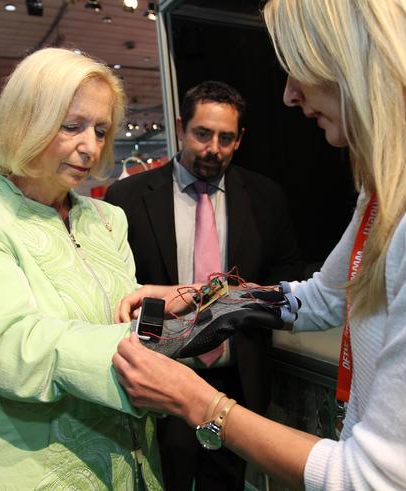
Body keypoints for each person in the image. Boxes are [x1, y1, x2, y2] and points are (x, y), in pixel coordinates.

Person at [112, 0, 406, 489]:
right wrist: (203, 300)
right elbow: (324, 298)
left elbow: (379, 479)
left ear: (359, 54)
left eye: (298, 67)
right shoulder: (399, 182)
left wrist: (198, 402)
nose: (288, 95)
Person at [0, 48, 164, 490]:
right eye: (72, 126)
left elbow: (123, 310)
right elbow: (9, 347)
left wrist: (173, 309)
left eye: (100, 130)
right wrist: (143, 349)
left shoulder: (106, 218)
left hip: (134, 462)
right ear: (25, 121)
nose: (90, 146)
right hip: (39, 471)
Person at [105, 80, 304, 490]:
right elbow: (118, 284)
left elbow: (287, 275)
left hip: (237, 381)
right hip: (161, 378)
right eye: (202, 134)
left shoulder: (265, 197)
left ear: (240, 139)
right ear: (181, 128)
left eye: (226, 138)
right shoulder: (127, 197)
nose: (213, 148)